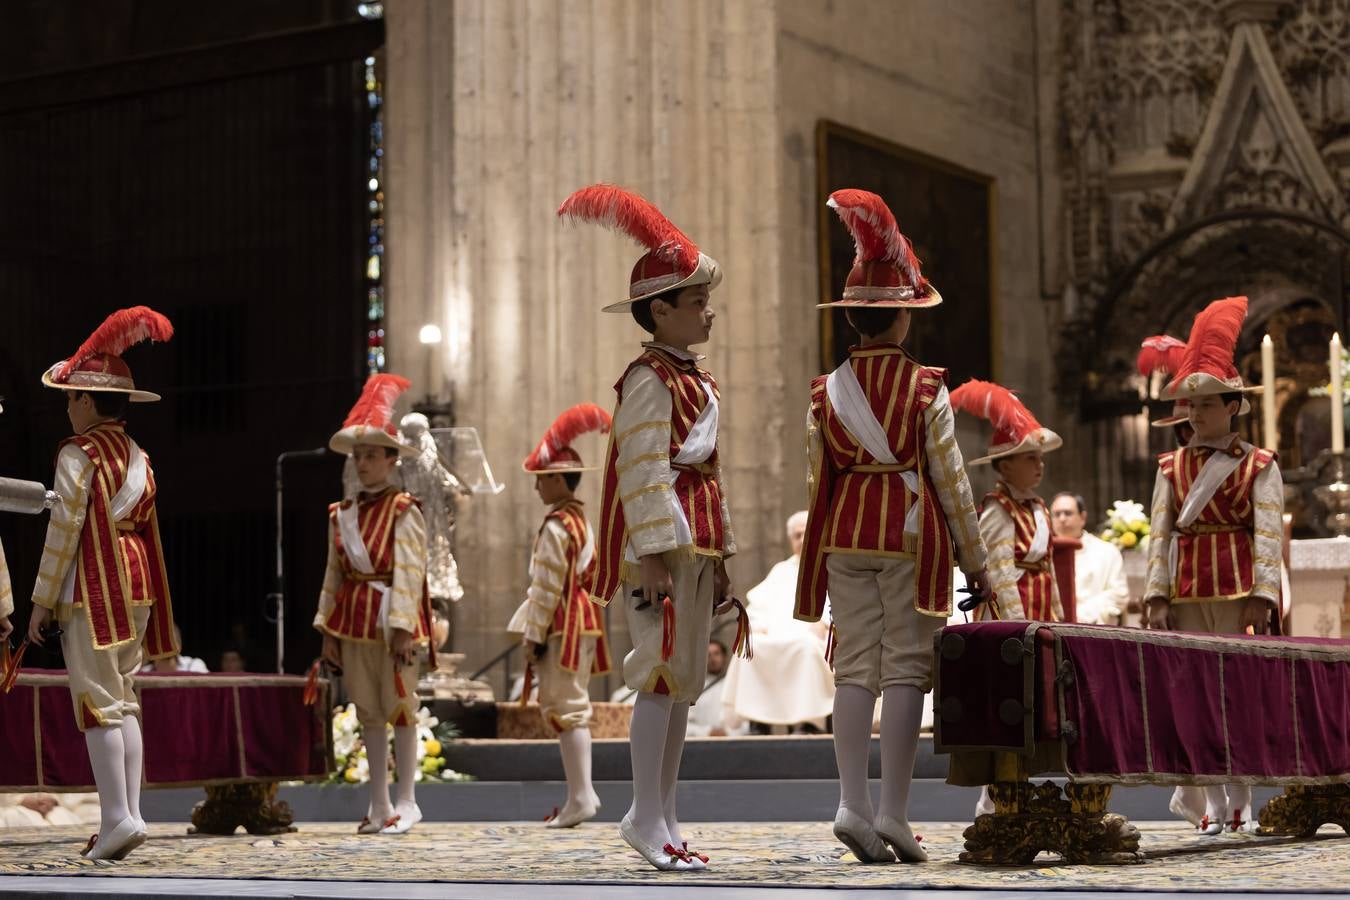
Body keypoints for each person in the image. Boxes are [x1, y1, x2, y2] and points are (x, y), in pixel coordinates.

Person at [796, 190, 989, 864]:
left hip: (844, 535)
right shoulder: (925, 388)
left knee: (854, 667)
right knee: (906, 669)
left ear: (853, 320)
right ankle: (893, 813)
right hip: (910, 537)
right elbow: (951, 482)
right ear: (902, 319)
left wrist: (814, 560)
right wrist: (979, 562)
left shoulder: (825, 392)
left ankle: (850, 801)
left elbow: (817, 481)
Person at [560, 184, 738, 872]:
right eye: (696, 302)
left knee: (684, 681)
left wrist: (719, 554)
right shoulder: (647, 377)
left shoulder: (697, 377)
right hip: (659, 552)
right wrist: (657, 554)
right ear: (660, 310)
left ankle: (663, 814)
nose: (707, 312)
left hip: (695, 542)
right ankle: (643, 812)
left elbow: (709, 473)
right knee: (660, 676)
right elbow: (640, 471)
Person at [25, 306, 178, 861]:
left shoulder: (78, 452)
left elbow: (65, 530)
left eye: (70, 398)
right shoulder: (140, 456)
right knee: (125, 701)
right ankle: (130, 813)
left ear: (88, 400)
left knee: (98, 704)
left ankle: (116, 817)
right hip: (136, 584)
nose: (67, 409)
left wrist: (41, 603)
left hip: (93, 585)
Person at [1144, 296, 1282, 836]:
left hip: (1236, 588)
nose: (1195, 413)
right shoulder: (1169, 466)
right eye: (1190, 404)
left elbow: (1267, 533)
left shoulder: (1258, 466)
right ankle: (1213, 800)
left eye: (1206, 404)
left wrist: (1264, 593)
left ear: (1232, 407)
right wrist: (1156, 596)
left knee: (1235, 695)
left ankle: (1244, 797)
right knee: (1195, 697)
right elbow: (1159, 534)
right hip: (1185, 592)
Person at [315, 373, 435, 836]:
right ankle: (377, 801)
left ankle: (407, 800)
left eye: (371, 456)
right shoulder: (340, 514)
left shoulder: (405, 509)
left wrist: (404, 627)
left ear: (391, 460)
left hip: (393, 624)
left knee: (401, 707)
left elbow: (410, 572)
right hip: (352, 623)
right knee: (367, 711)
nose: (363, 463)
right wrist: (327, 630)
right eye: (358, 456)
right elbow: (332, 575)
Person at [507, 403, 614, 828]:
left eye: (540, 481)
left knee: (566, 706)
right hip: (581, 619)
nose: (536, 490)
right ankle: (578, 794)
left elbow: (547, 589)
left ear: (556, 478)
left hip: (563, 625)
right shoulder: (579, 519)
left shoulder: (556, 525)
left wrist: (533, 636)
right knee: (568, 705)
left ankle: (582, 795)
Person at [951, 380, 1064, 623]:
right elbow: (999, 570)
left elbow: (1048, 568)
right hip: (1012, 615)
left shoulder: (1039, 507)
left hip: (1042, 610)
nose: (1040, 465)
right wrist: (1015, 623)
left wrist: (1058, 616)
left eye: (1040, 458)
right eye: (1031, 458)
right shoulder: (998, 508)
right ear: (1006, 466)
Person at [722, 511, 833, 734]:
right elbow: (757, 608)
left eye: (807, 533)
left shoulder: (831, 568)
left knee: (806, 648)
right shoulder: (781, 571)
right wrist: (756, 625)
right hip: (776, 633)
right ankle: (758, 722)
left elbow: (841, 606)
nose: (802, 539)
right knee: (752, 648)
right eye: (797, 535)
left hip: (812, 634)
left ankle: (809, 722)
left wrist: (824, 622)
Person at [1049, 493, 1127, 625]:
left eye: (1068, 513)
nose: (1062, 519)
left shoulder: (1107, 552)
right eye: (1056, 514)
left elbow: (1118, 593)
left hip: (1092, 627)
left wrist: (1083, 614)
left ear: (1083, 517)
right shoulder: (1043, 554)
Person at [687, 639, 746, 737]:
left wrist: (728, 733)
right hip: (700, 744)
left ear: (724, 657)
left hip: (733, 742)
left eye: (716, 654)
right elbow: (685, 724)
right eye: (708, 655)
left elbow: (746, 723)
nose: (713, 658)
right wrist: (707, 732)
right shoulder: (694, 688)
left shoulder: (736, 687)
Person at [143, 625, 208, 672]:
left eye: (168, 641)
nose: (163, 646)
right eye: (159, 641)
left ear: (179, 645)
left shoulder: (194, 666)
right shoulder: (144, 673)